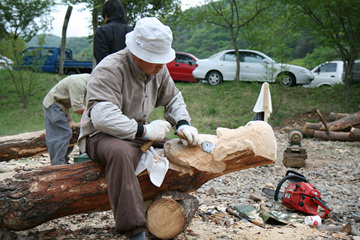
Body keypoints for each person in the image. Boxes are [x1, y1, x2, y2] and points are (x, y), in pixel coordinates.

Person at [78, 17, 201, 240]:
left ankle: (168, 206)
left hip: (135, 132)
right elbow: (102, 117)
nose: (161, 66)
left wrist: (182, 123)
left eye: (162, 60)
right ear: (136, 54)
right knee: (121, 152)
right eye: (155, 60)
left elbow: (173, 98)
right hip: (100, 136)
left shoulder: (158, 70)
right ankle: (134, 230)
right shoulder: (110, 69)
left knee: (178, 145)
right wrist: (144, 132)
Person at [43, 73, 89, 165]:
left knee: (72, 131)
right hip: (53, 105)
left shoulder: (90, 81)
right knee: (62, 133)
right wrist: (94, 112)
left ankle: (63, 160)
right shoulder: (79, 83)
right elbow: (78, 108)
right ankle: (58, 164)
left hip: (62, 107)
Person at [93, 0, 133, 64]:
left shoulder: (101, 32)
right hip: (131, 72)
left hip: (108, 72)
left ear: (106, 16)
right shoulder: (132, 31)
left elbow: (101, 59)